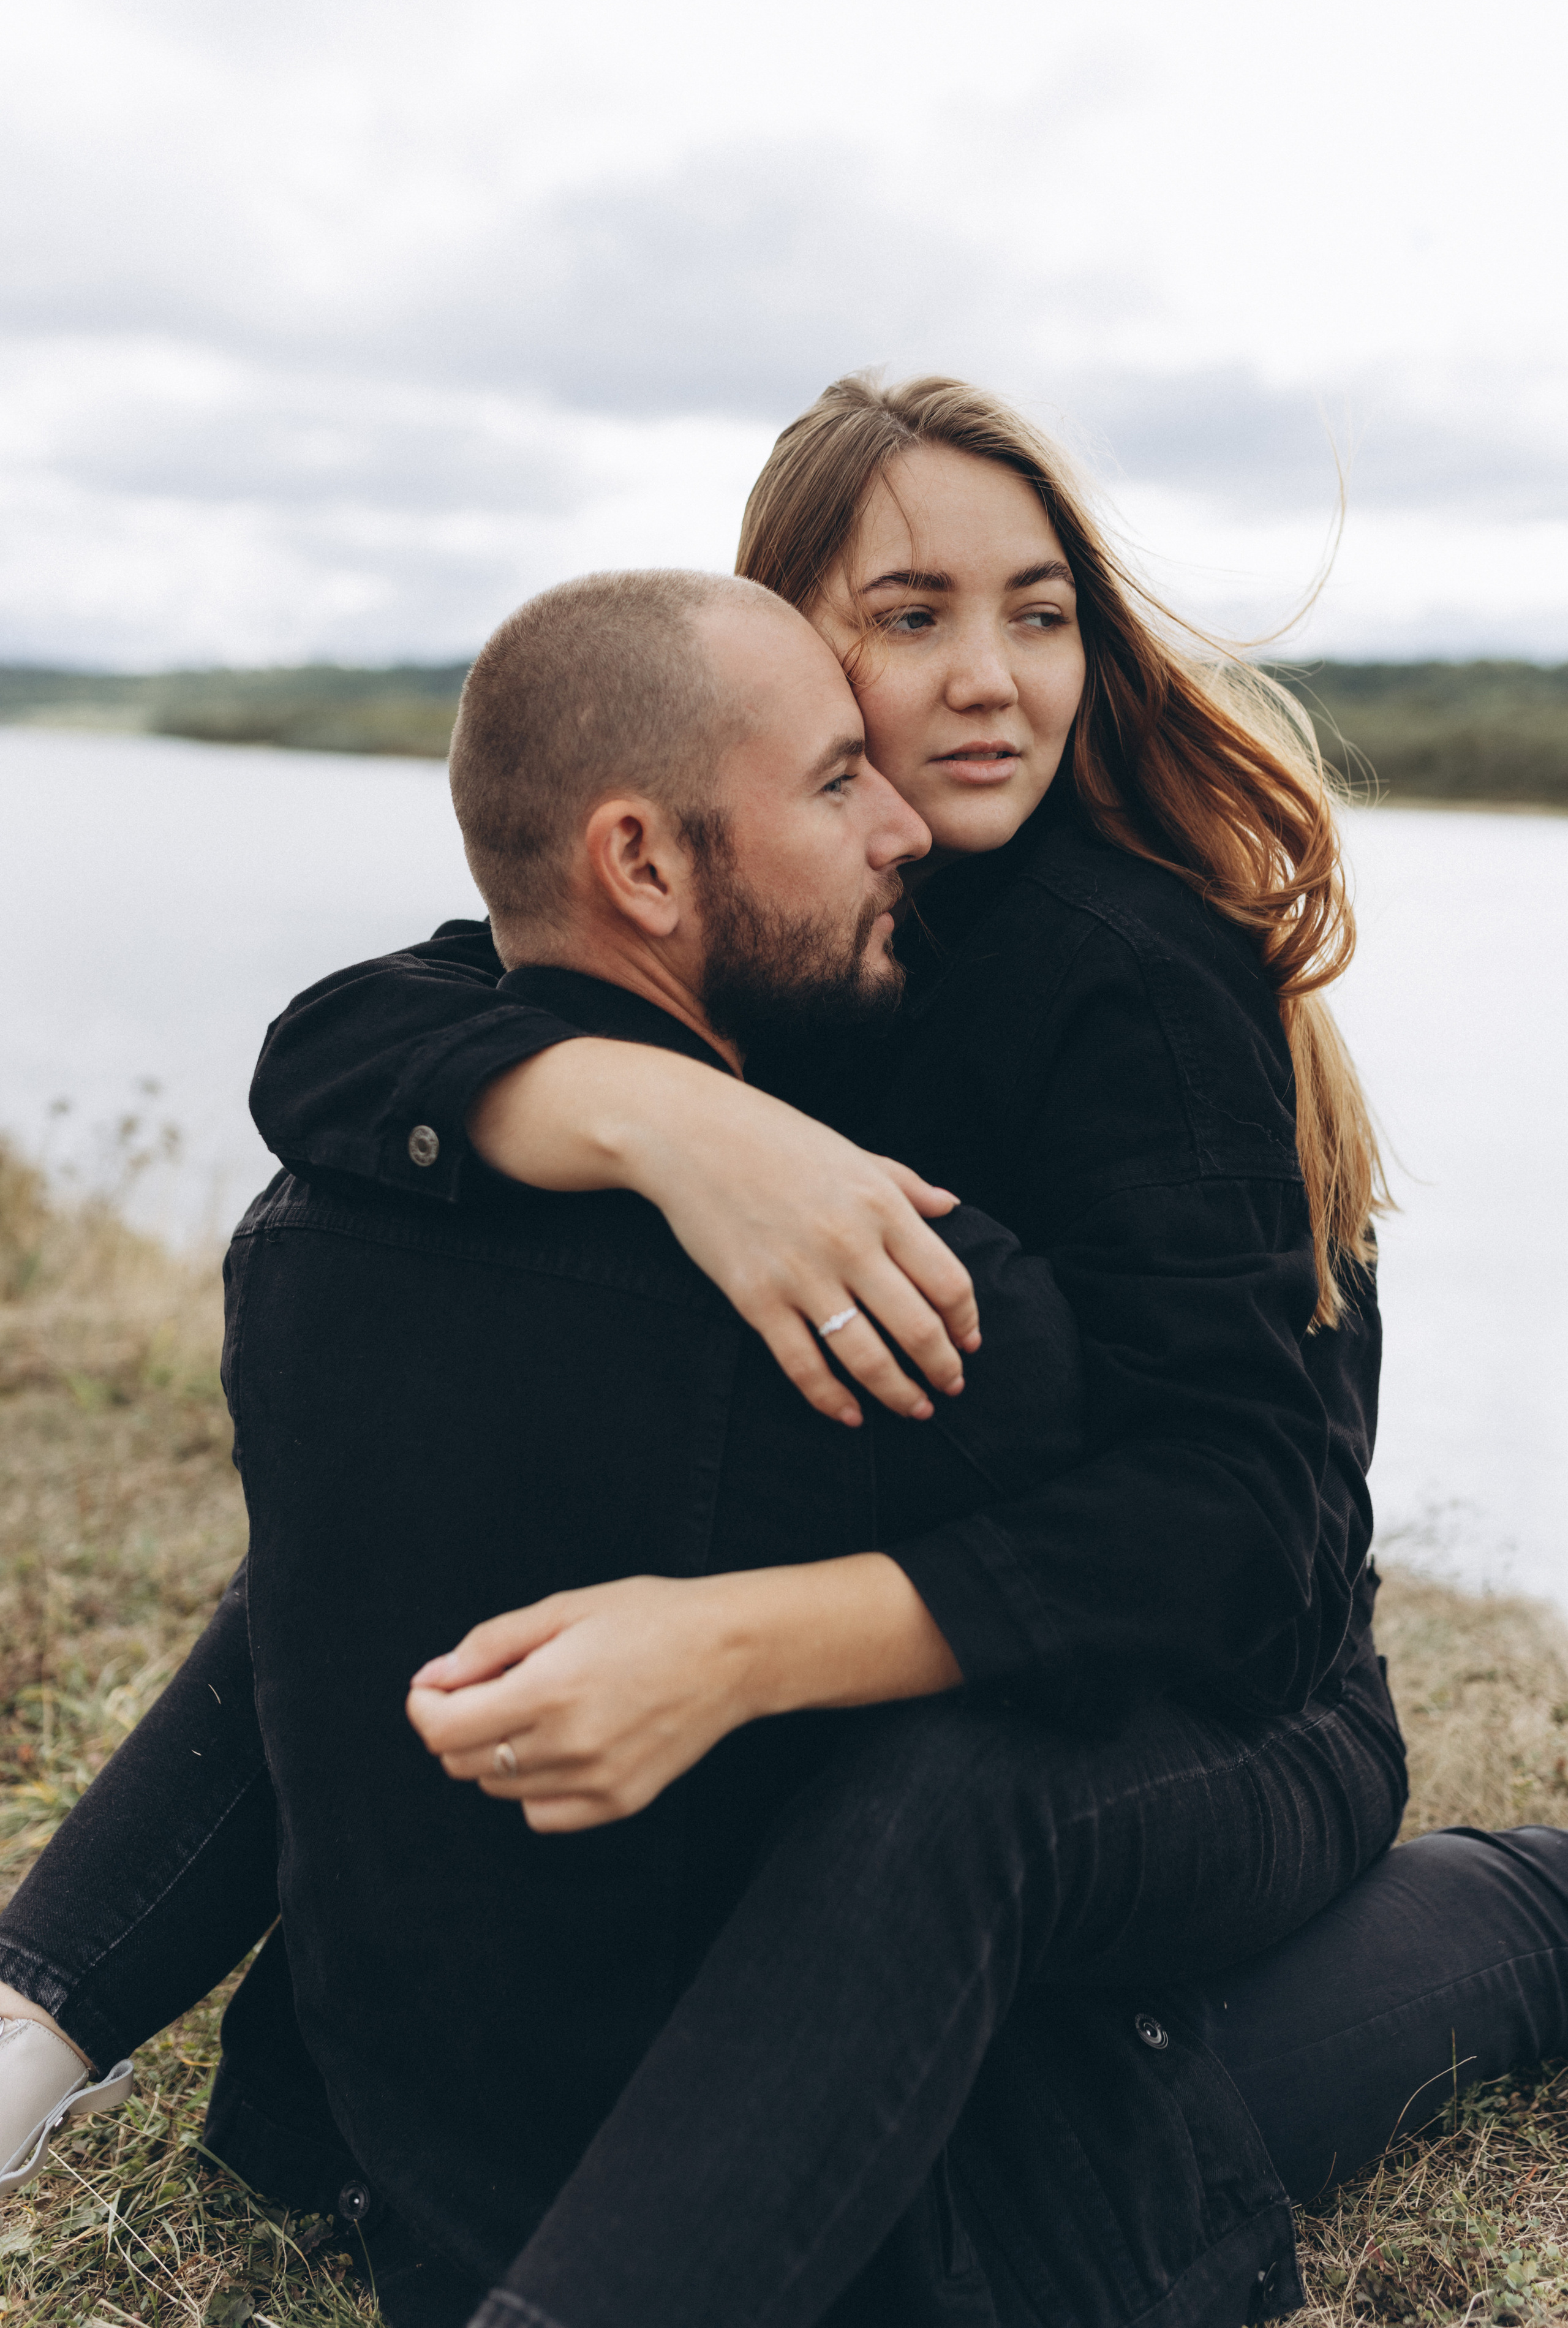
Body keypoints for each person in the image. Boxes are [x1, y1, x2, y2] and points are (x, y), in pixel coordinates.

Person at [2, 380, 1566, 2324]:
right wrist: (661, 1116)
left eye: (1040, 610)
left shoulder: (1128, 975)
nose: (989, 681)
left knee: (942, 1813)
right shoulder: (779, 901)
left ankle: (1529, 1911)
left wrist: (729, 1644)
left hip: (1232, 1699)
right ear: (783, 657)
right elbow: (342, 1040)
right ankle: (31, 2026)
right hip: (954, 1604)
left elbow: (1238, 1537)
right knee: (364, 1539)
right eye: (909, 618)